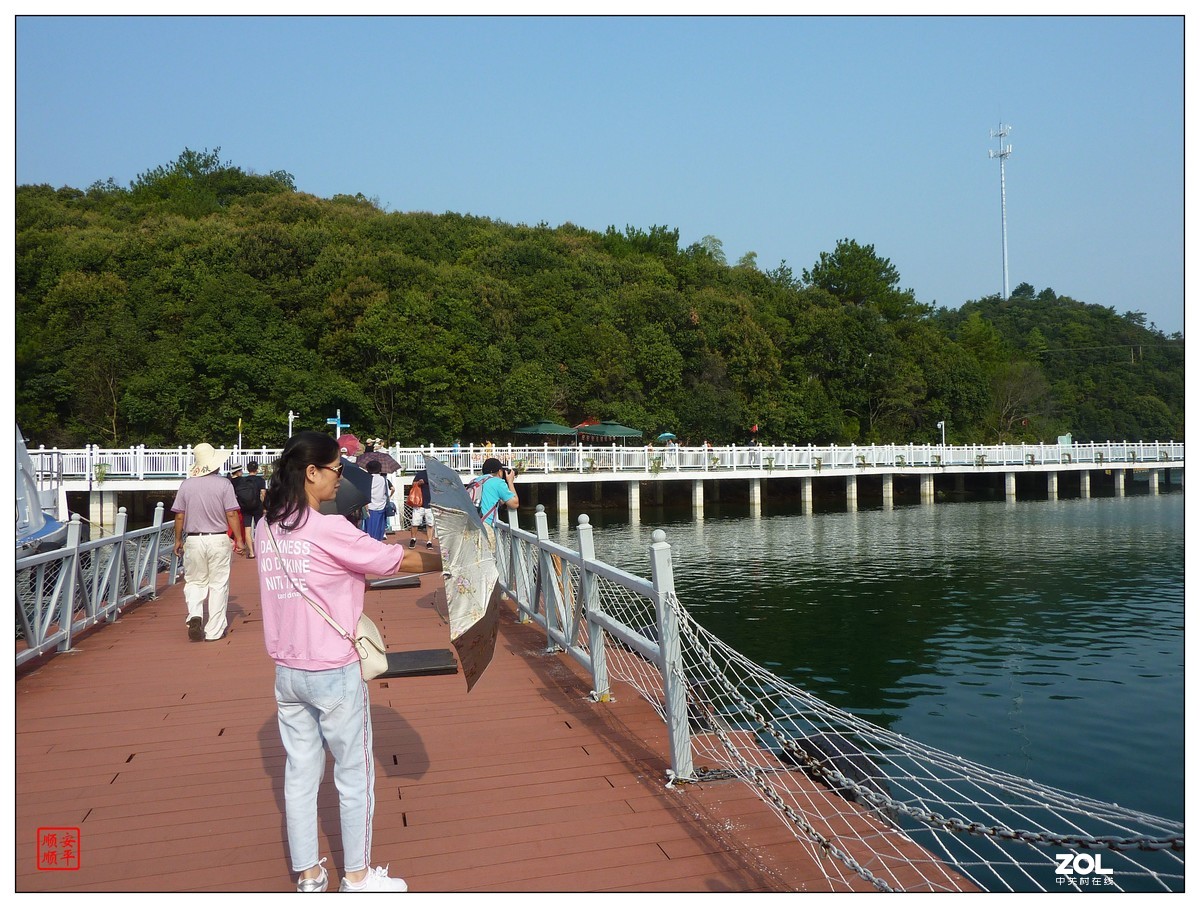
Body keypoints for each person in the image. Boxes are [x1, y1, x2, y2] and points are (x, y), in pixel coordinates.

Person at [256, 431, 438, 892]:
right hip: (333, 670)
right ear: (311, 472)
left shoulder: (267, 527)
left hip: (287, 670)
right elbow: (395, 560)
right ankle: (356, 878)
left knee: (299, 775)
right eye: (337, 469)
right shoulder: (329, 527)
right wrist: (449, 558)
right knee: (353, 774)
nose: (341, 479)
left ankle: (310, 875)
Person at [172, 442, 246, 642]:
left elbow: (179, 516)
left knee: (195, 581)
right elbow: (231, 513)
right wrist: (239, 540)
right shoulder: (224, 484)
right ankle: (213, 631)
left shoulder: (186, 485)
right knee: (218, 584)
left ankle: (195, 614)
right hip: (219, 538)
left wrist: (178, 540)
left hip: (194, 539)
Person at [236, 460, 268, 557]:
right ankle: (260, 551)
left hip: (246, 507)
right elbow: (263, 494)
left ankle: (251, 552)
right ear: (256, 469)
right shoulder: (260, 480)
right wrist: (265, 506)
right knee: (259, 529)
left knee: (247, 529)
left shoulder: (243, 480)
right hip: (257, 506)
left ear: (248, 469)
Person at [476, 457, 520, 527]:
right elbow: (514, 504)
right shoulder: (497, 482)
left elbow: (495, 501)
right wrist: (510, 482)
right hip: (485, 524)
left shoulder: (476, 481)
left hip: (472, 523)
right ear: (499, 472)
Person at [361, 460, 392, 541]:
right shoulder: (383, 479)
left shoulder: (367, 479)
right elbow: (386, 492)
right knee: (379, 532)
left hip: (370, 508)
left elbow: (365, 493)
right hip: (382, 507)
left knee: (369, 532)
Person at [407, 469, 435, 550]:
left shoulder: (437, 475)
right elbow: (413, 484)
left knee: (430, 524)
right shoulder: (421, 473)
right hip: (419, 503)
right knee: (415, 523)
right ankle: (413, 539)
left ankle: (429, 541)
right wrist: (418, 483)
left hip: (431, 504)